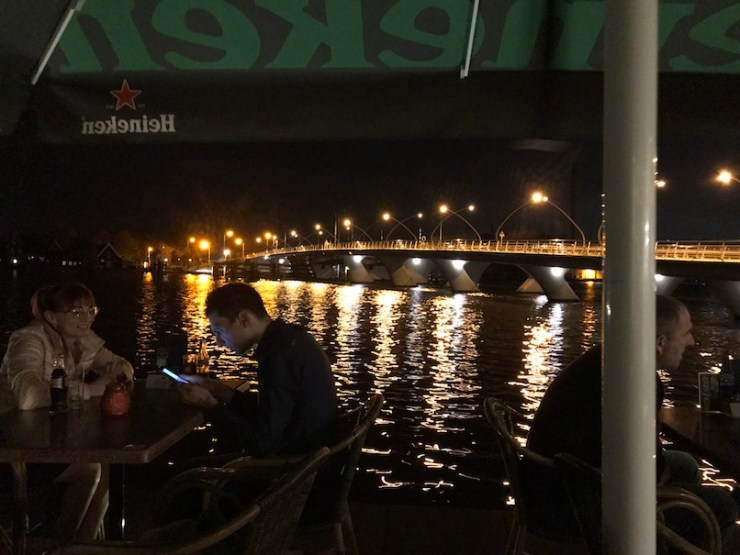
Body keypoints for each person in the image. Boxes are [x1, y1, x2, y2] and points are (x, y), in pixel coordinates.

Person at [526, 295, 738, 549]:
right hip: (577, 505)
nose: (691, 341)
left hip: (551, 482)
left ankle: (665, 545)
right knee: (722, 505)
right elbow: (649, 471)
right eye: (686, 334)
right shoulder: (639, 379)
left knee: (685, 464)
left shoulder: (606, 359)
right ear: (660, 342)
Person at [0, 282, 134, 541]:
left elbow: (123, 366)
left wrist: (115, 378)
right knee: (90, 468)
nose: (86, 318)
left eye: (90, 310)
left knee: (106, 465)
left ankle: (83, 544)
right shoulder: (29, 339)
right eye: (76, 312)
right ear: (52, 318)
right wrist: (89, 390)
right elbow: (27, 397)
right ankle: (64, 544)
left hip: (50, 437)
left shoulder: (82, 340)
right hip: (12, 448)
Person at [178, 282, 337, 457]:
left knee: (189, 466)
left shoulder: (279, 355)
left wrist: (209, 405)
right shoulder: (290, 340)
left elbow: (262, 444)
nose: (219, 342)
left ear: (244, 319)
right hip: (310, 450)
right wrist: (221, 390)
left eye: (220, 331)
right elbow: (272, 411)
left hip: (294, 463)